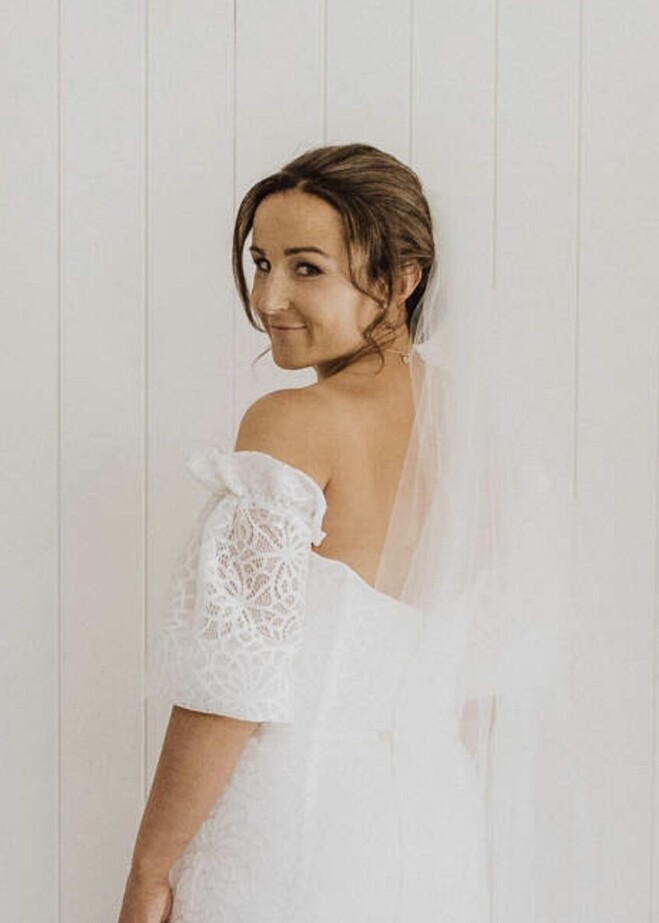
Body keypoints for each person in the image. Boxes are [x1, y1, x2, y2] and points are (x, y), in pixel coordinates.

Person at [117, 143, 495, 922]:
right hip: (438, 837)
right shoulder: (478, 430)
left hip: (292, 837)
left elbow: (229, 684)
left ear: (400, 279)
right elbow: (480, 687)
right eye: (260, 262)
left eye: (306, 267)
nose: (268, 297)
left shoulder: (295, 423)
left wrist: (149, 873)